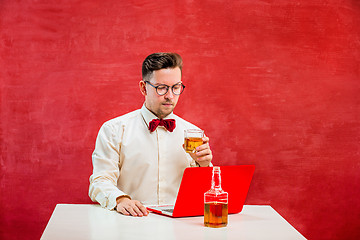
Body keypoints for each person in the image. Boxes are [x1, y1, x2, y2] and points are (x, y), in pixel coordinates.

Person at [89, 52, 213, 217]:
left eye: (176, 87)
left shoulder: (193, 133)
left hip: (180, 226)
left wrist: (205, 165)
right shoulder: (113, 130)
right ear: (143, 87)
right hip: (130, 222)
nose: (170, 96)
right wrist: (120, 200)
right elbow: (100, 181)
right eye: (161, 88)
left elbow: (207, 194)